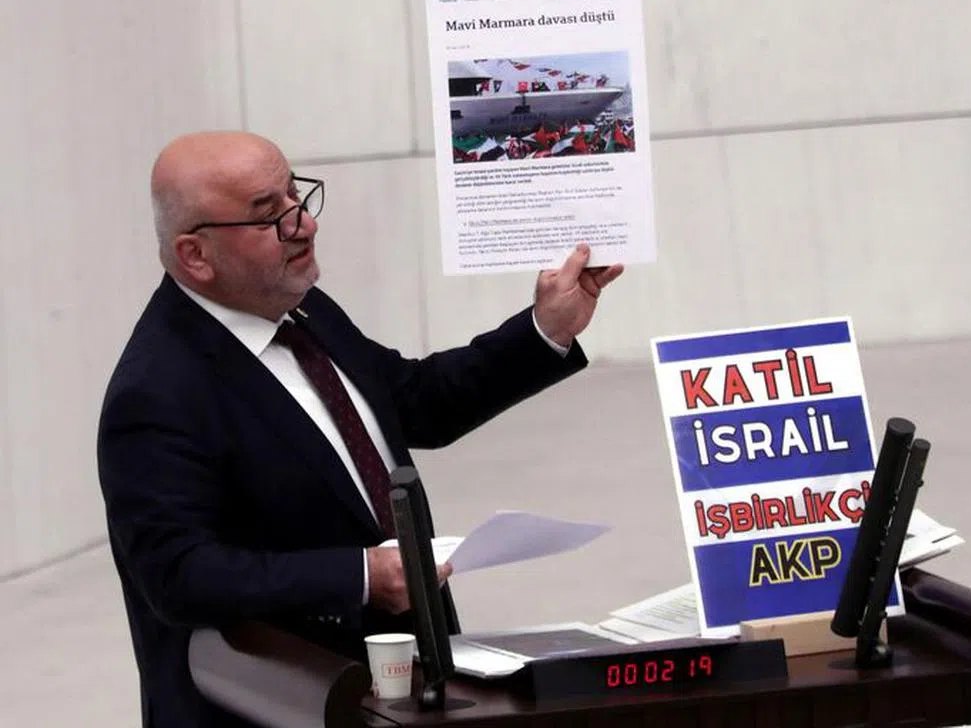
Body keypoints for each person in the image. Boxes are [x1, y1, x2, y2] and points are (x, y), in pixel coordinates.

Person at [96, 131, 623, 728]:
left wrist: (544, 329)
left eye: (298, 196)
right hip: (279, 706)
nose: (304, 226)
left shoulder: (304, 312)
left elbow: (417, 402)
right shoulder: (158, 390)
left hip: (394, 693)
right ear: (195, 255)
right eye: (270, 217)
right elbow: (180, 575)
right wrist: (361, 576)